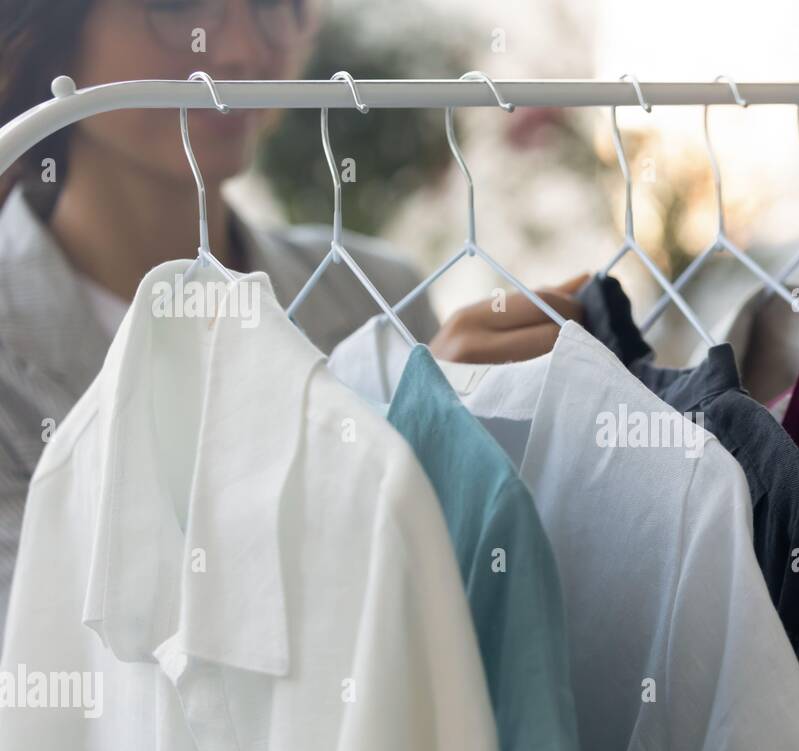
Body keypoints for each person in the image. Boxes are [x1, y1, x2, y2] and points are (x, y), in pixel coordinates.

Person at [0, 0, 584, 636]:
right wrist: (402, 442)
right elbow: (61, 653)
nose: (242, 53)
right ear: (54, 35)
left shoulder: (378, 294)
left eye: (274, 6)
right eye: (178, 6)